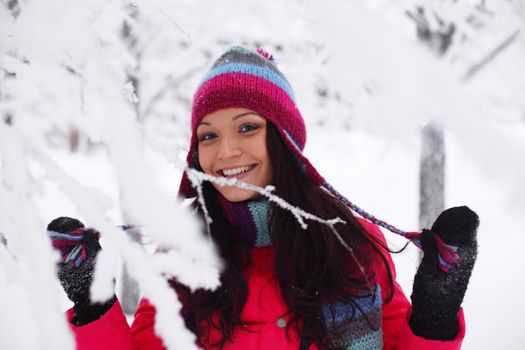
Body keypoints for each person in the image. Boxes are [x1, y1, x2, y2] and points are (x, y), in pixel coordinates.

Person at [48, 46, 479, 350]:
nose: (225, 151)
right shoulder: (183, 257)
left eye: (247, 127)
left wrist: (433, 318)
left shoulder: (349, 242)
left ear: (286, 141)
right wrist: (94, 303)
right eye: (208, 136)